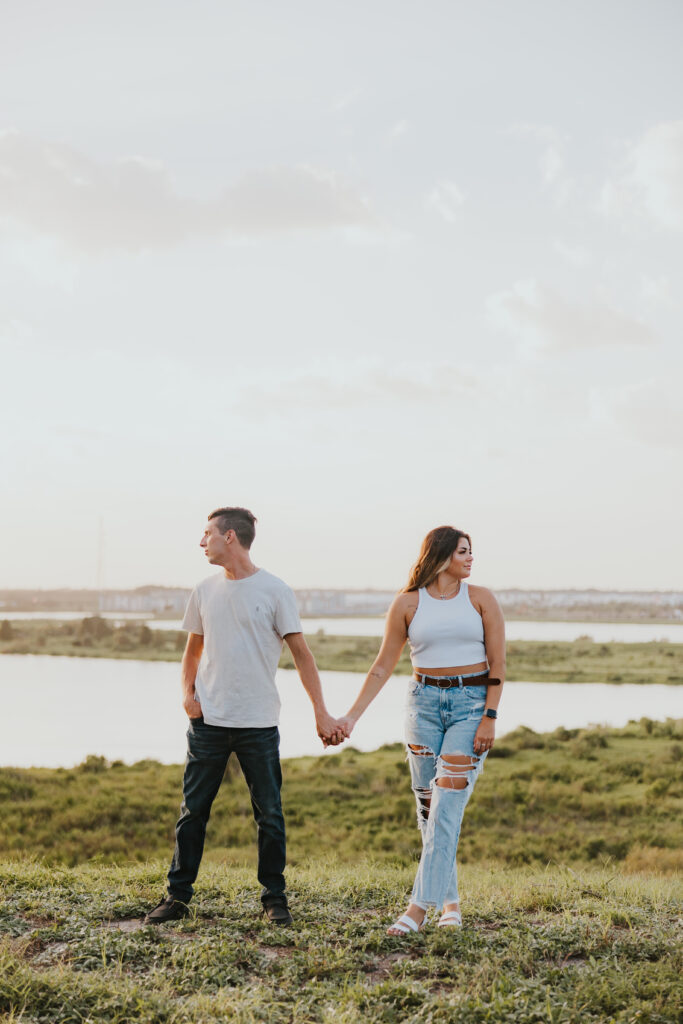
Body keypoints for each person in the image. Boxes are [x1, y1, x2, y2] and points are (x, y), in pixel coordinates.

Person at [144, 506, 345, 927]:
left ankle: (274, 898)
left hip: (258, 723)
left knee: (269, 813)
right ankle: (177, 897)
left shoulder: (275, 590)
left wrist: (321, 714)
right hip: (209, 723)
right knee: (192, 811)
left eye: (207, 535)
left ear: (230, 537)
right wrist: (188, 696)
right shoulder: (203, 589)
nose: (202, 543)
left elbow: (302, 657)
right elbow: (192, 652)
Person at [337, 525, 505, 935]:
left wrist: (490, 717)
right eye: (463, 551)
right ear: (443, 554)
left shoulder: (481, 599)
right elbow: (382, 665)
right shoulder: (407, 603)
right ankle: (451, 903)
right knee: (429, 809)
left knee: (447, 802)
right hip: (423, 704)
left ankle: (417, 908)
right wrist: (352, 717)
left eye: (471, 552)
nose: (470, 558)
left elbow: (498, 664)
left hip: (471, 704)